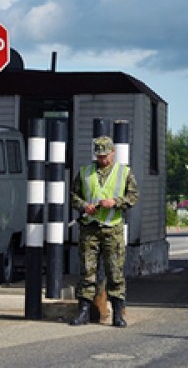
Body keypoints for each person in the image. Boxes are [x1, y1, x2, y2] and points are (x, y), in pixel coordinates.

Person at [69, 135, 139, 328]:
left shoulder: (124, 173)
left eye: (105, 156)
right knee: (86, 271)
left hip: (112, 229)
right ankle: (83, 312)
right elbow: (74, 195)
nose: (102, 160)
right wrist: (84, 206)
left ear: (113, 152)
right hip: (90, 228)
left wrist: (115, 202)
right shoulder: (85, 172)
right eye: (99, 156)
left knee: (115, 272)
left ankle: (117, 313)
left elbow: (133, 196)